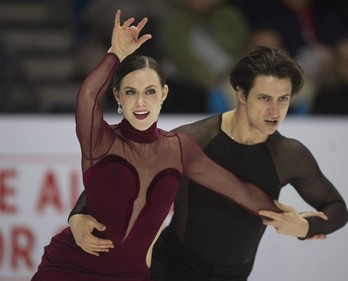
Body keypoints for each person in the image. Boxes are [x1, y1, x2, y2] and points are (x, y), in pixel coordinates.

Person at [31, 10, 283, 281]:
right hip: (70, 269)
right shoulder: (100, 140)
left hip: (132, 275)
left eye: (150, 91)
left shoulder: (179, 149)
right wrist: (115, 52)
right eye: (131, 92)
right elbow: (87, 97)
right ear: (118, 96)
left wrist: (288, 217)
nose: (141, 102)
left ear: (163, 94)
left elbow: (237, 190)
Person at [68, 43, 348, 280]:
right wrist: (78, 214)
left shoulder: (289, 155)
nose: (275, 111)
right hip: (170, 268)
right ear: (240, 93)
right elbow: (117, 177)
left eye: (283, 99)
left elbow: (337, 209)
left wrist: (305, 227)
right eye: (264, 98)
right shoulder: (193, 139)